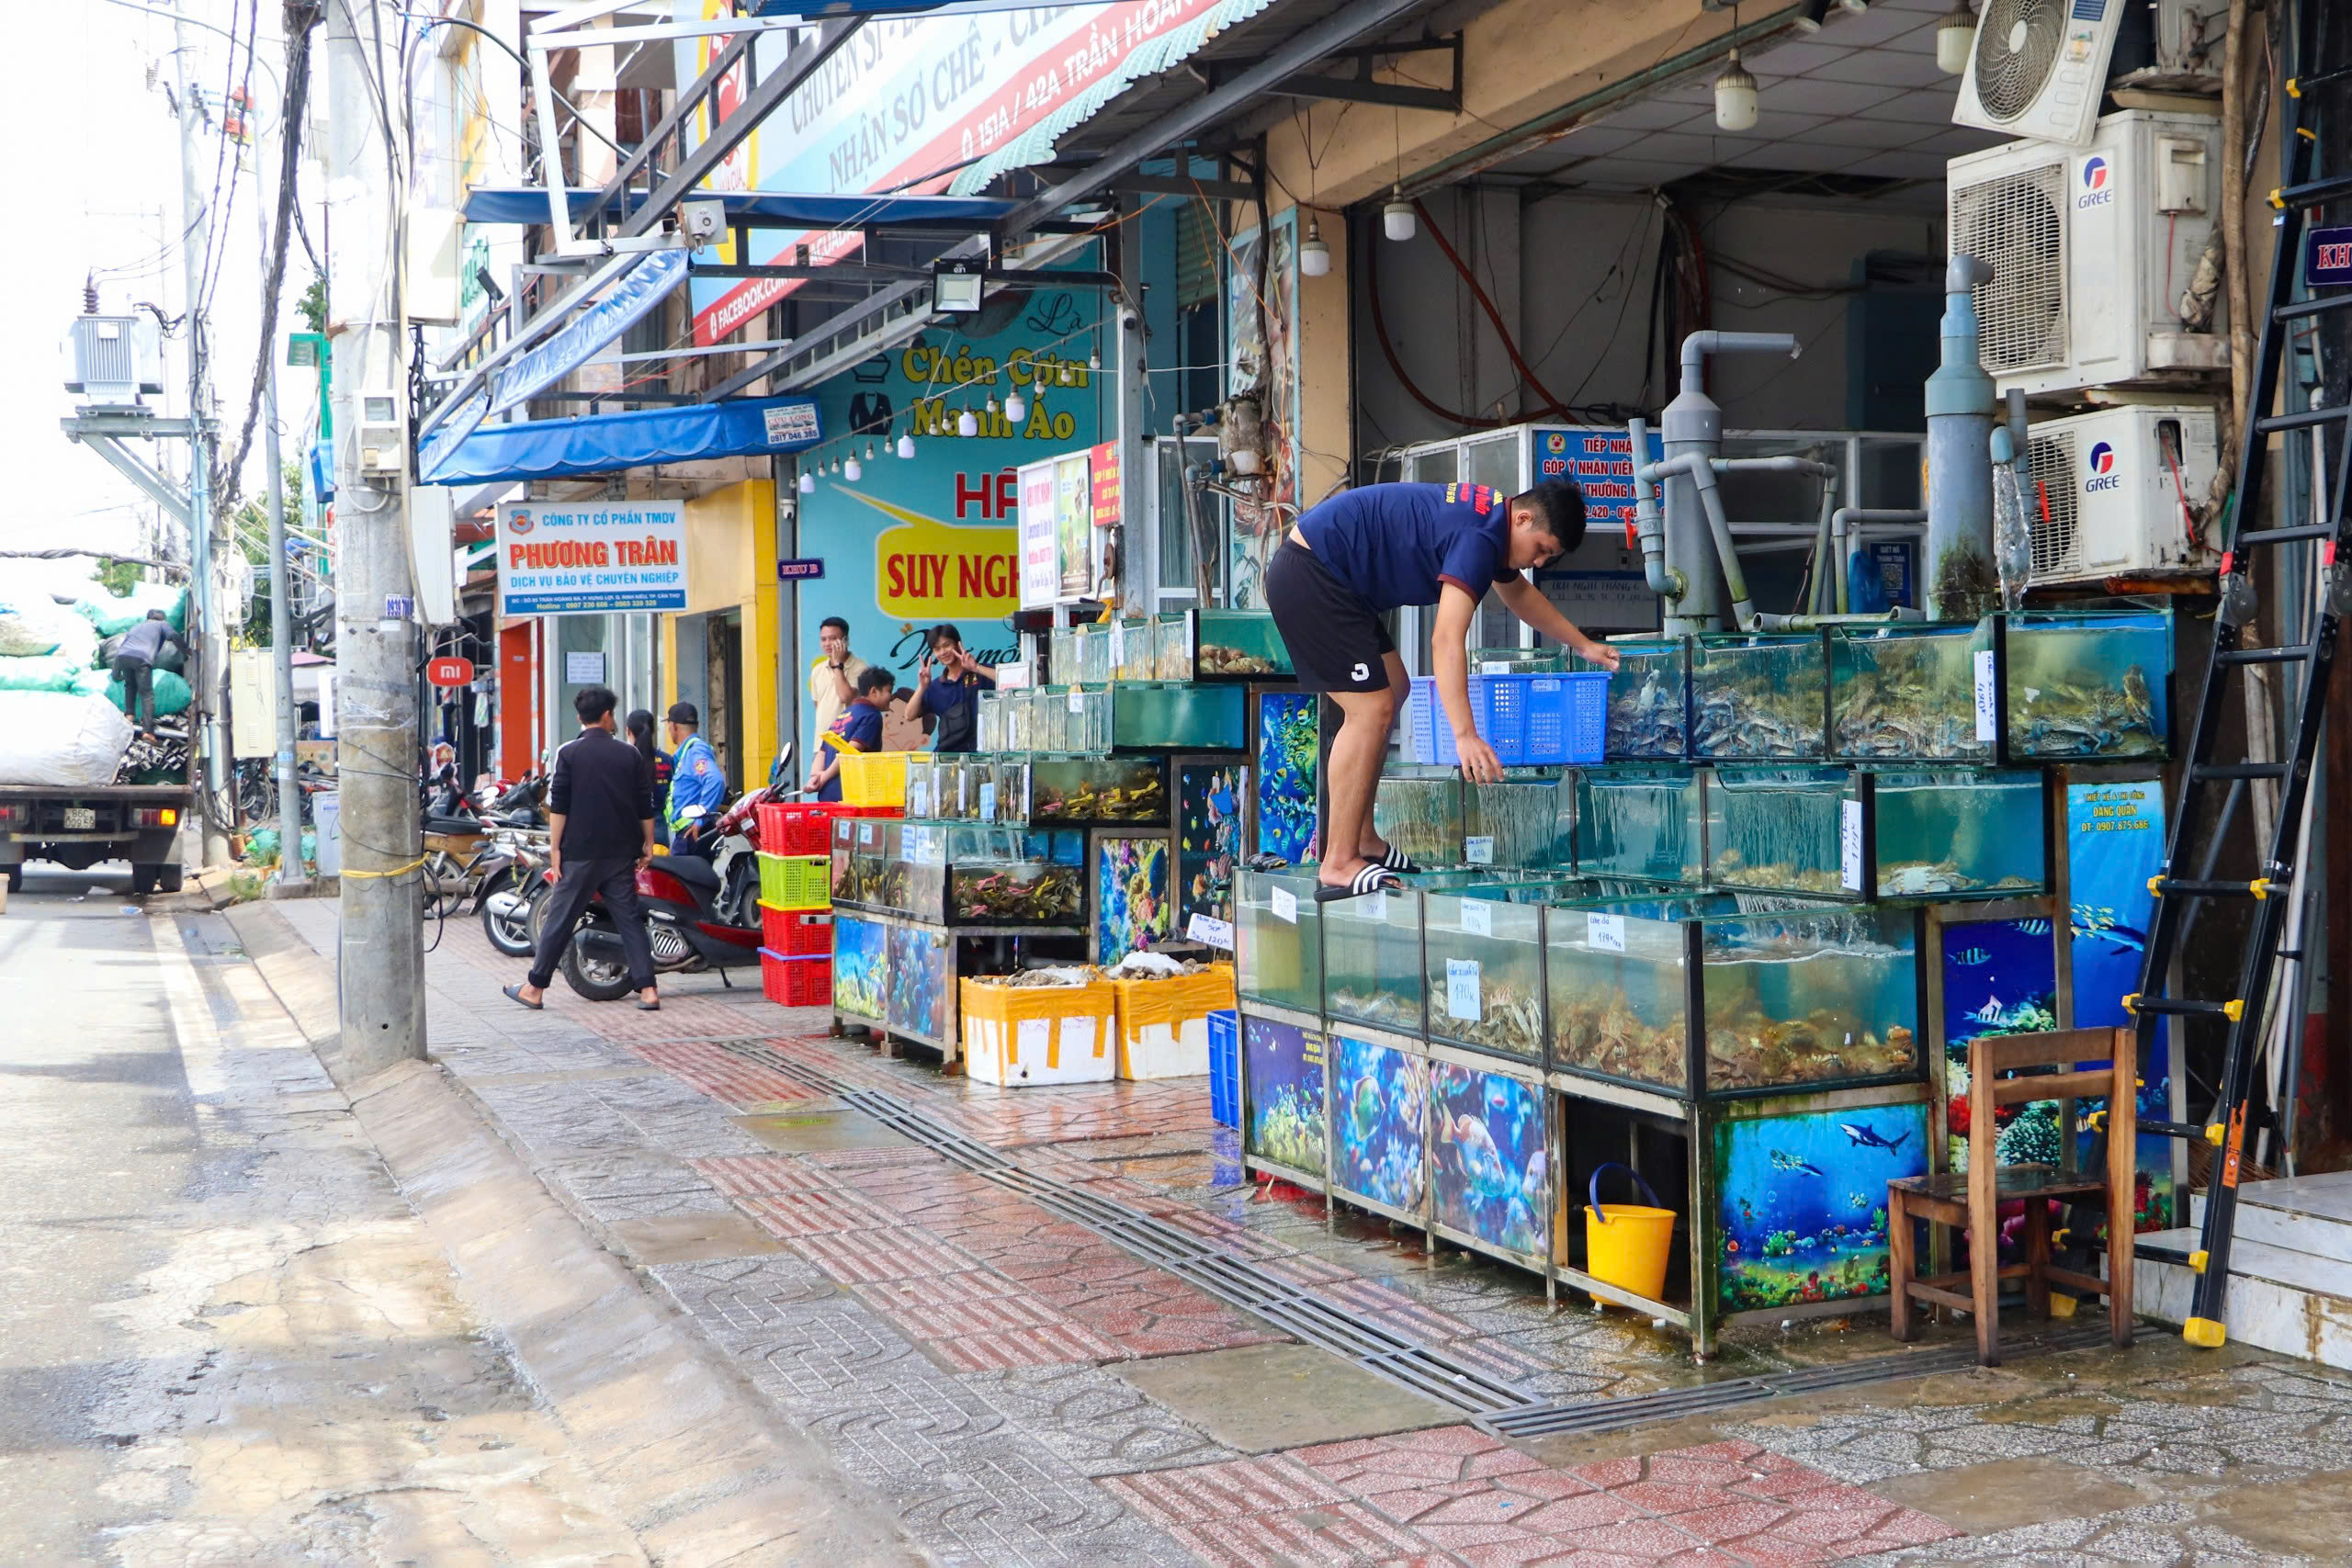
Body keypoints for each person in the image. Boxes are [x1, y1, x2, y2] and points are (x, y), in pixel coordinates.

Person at [1262, 479, 1619, 901]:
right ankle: (1338, 861)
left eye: (1548, 557)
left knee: (1394, 689)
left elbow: (1519, 595)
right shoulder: (1480, 537)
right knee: (1370, 710)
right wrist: (1465, 735)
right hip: (1312, 573)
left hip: (1334, 579)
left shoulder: (1493, 521)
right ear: (1522, 518)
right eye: (1541, 548)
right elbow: (1446, 639)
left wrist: (1583, 644)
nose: (1539, 563)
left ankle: (1364, 841)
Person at [503, 685, 660, 1012]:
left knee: (560, 919)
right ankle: (648, 990)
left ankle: (534, 988)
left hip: (580, 853)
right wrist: (648, 844)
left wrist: (555, 849)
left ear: (580, 717)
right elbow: (645, 804)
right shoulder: (629, 754)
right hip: (620, 852)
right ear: (607, 716)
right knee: (629, 920)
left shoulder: (568, 753)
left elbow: (559, 806)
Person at [806, 665, 894, 803]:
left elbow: (822, 751)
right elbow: (851, 751)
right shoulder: (872, 715)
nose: (892, 696)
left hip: (827, 796)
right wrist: (823, 778)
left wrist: (815, 777)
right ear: (874, 691)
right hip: (851, 797)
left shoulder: (843, 714)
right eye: (889, 691)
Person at [905, 624, 995, 753]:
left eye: (947, 645)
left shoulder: (980, 673)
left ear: (958, 644)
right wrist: (922, 686)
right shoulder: (935, 687)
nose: (943, 652)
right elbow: (909, 715)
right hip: (947, 759)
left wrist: (976, 668)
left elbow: (1011, 680)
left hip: (980, 757)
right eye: (937, 649)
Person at [663, 701, 726, 855]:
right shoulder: (686, 753)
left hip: (692, 835)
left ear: (674, 726)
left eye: (668, 726)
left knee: (679, 879)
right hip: (689, 834)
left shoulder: (695, 751)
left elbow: (715, 781)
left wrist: (700, 820)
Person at [808, 616, 871, 756]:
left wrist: (837, 664)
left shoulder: (860, 667)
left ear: (845, 640)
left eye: (833, 638)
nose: (827, 644)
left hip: (847, 743)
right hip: (821, 745)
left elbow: (845, 697)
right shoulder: (817, 670)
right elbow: (818, 706)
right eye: (823, 639)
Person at [112, 608, 174, 735]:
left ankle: (129, 717)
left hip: (123, 658)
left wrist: (116, 674)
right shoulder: (161, 626)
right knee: (146, 694)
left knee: (130, 686)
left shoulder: (136, 628)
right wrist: (187, 652)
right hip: (142, 660)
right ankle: (147, 731)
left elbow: (122, 649)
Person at [625, 708, 673, 844]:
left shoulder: (624, 760)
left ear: (628, 731)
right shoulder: (667, 760)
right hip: (660, 829)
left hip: (630, 828)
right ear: (653, 731)